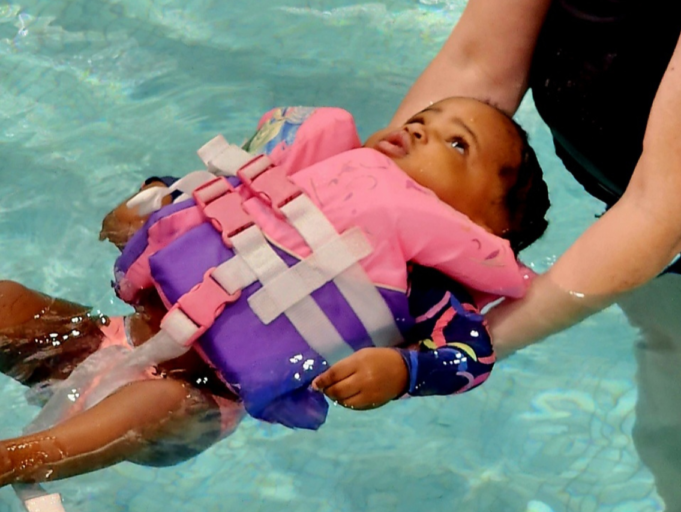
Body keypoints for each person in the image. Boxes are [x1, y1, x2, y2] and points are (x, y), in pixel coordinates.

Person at [0, 97, 550, 489]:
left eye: (458, 144)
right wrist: (143, 206)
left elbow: (472, 357)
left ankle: (15, 460)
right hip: (111, 337)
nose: (420, 130)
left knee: (153, 403)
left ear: (485, 227)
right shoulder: (298, 180)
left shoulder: (420, 286)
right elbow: (196, 206)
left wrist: (403, 372)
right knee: (7, 303)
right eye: (420, 119)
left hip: (195, 400)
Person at [385, 1, 681, 511]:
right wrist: (358, 235)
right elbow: (475, 66)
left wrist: (455, 352)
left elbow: (664, 213)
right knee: (671, 417)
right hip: (639, 209)